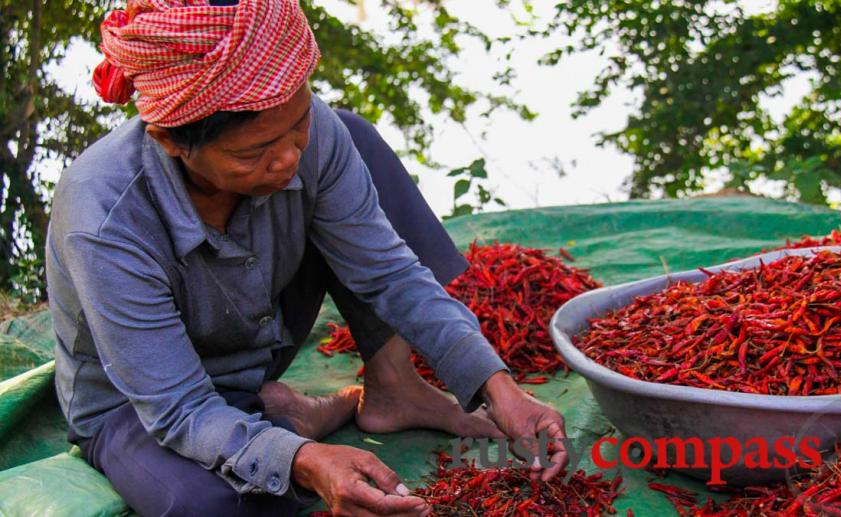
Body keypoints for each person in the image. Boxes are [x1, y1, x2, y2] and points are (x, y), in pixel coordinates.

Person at [46, 1, 568, 515]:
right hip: (139, 405)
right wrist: (304, 460)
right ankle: (296, 421)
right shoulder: (104, 216)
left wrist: (495, 385)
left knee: (353, 137)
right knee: (207, 504)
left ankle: (388, 389)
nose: (289, 158)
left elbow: (389, 271)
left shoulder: (313, 136)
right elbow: (178, 408)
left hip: (254, 344)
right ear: (170, 141)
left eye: (296, 126)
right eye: (253, 153)